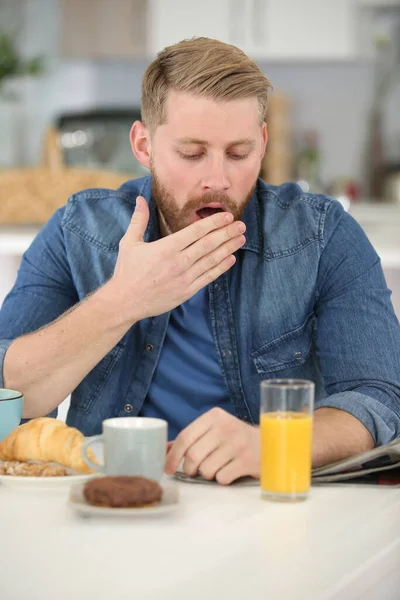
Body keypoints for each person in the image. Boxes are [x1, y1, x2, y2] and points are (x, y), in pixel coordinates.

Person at [0, 38, 399, 485]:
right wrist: (124, 300)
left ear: (263, 143)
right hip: (114, 501)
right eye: (191, 154)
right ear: (144, 145)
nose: (217, 179)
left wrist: (271, 444)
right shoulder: (78, 230)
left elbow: (379, 400)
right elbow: (11, 397)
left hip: (265, 507)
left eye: (238, 153)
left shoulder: (325, 237)